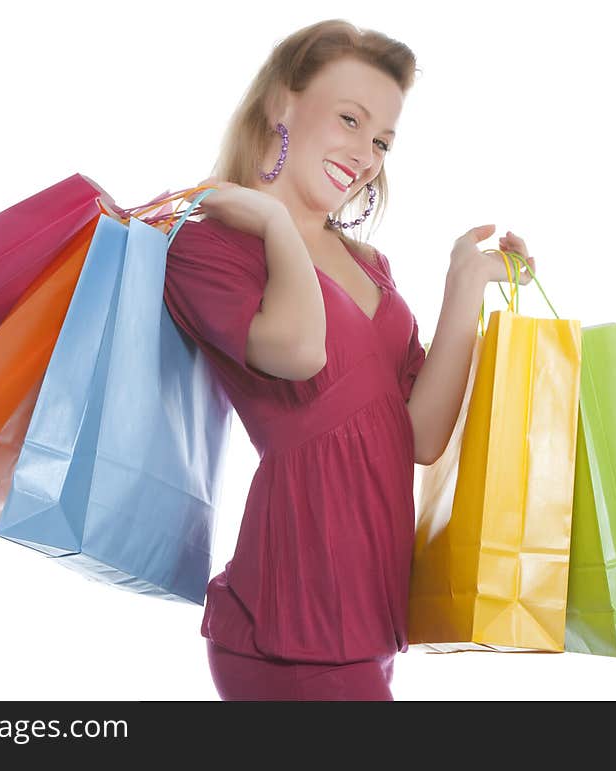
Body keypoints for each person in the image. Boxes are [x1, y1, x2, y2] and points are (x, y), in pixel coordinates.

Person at [162, 18, 536, 701]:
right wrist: (278, 222)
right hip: (293, 615)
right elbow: (301, 353)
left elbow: (419, 436)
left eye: (383, 140)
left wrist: (464, 285)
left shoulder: (371, 264)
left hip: (370, 608)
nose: (366, 153)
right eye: (349, 119)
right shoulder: (210, 247)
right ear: (281, 104)